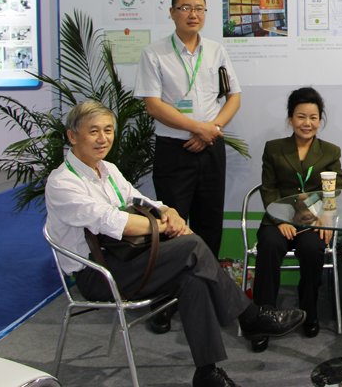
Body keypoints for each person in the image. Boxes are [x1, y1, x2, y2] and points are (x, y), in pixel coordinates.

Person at [45, 101, 305, 387]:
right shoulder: (62, 183)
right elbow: (113, 222)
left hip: (129, 258)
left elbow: (141, 201)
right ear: (73, 136)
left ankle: (207, 373)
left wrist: (169, 211)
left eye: (108, 130)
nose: (103, 138)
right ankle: (250, 317)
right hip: (98, 273)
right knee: (192, 246)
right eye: (94, 131)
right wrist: (163, 225)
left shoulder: (107, 169)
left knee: (193, 279)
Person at [135, 0, 241, 260]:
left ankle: (207, 280)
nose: (193, 14)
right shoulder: (154, 53)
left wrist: (212, 130)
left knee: (210, 221)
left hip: (211, 149)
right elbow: (153, 105)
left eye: (198, 9)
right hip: (174, 151)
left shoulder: (216, 51)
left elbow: (234, 97)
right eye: (185, 8)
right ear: (172, 13)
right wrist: (198, 129)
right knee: (172, 221)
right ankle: (175, 282)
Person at [251, 87, 342, 352]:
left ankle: (308, 312)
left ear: (320, 120)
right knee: (269, 246)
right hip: (278, 220)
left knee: (313, 249)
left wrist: (325, 217)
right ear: (290, 119)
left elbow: (337, 189)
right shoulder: (274, 148)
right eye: (301, 116)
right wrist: (280, 219)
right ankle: (263, 318)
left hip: (313, 221)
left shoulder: (330, 151)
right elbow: (269, 188)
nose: (307, 123)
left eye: (313, 117)